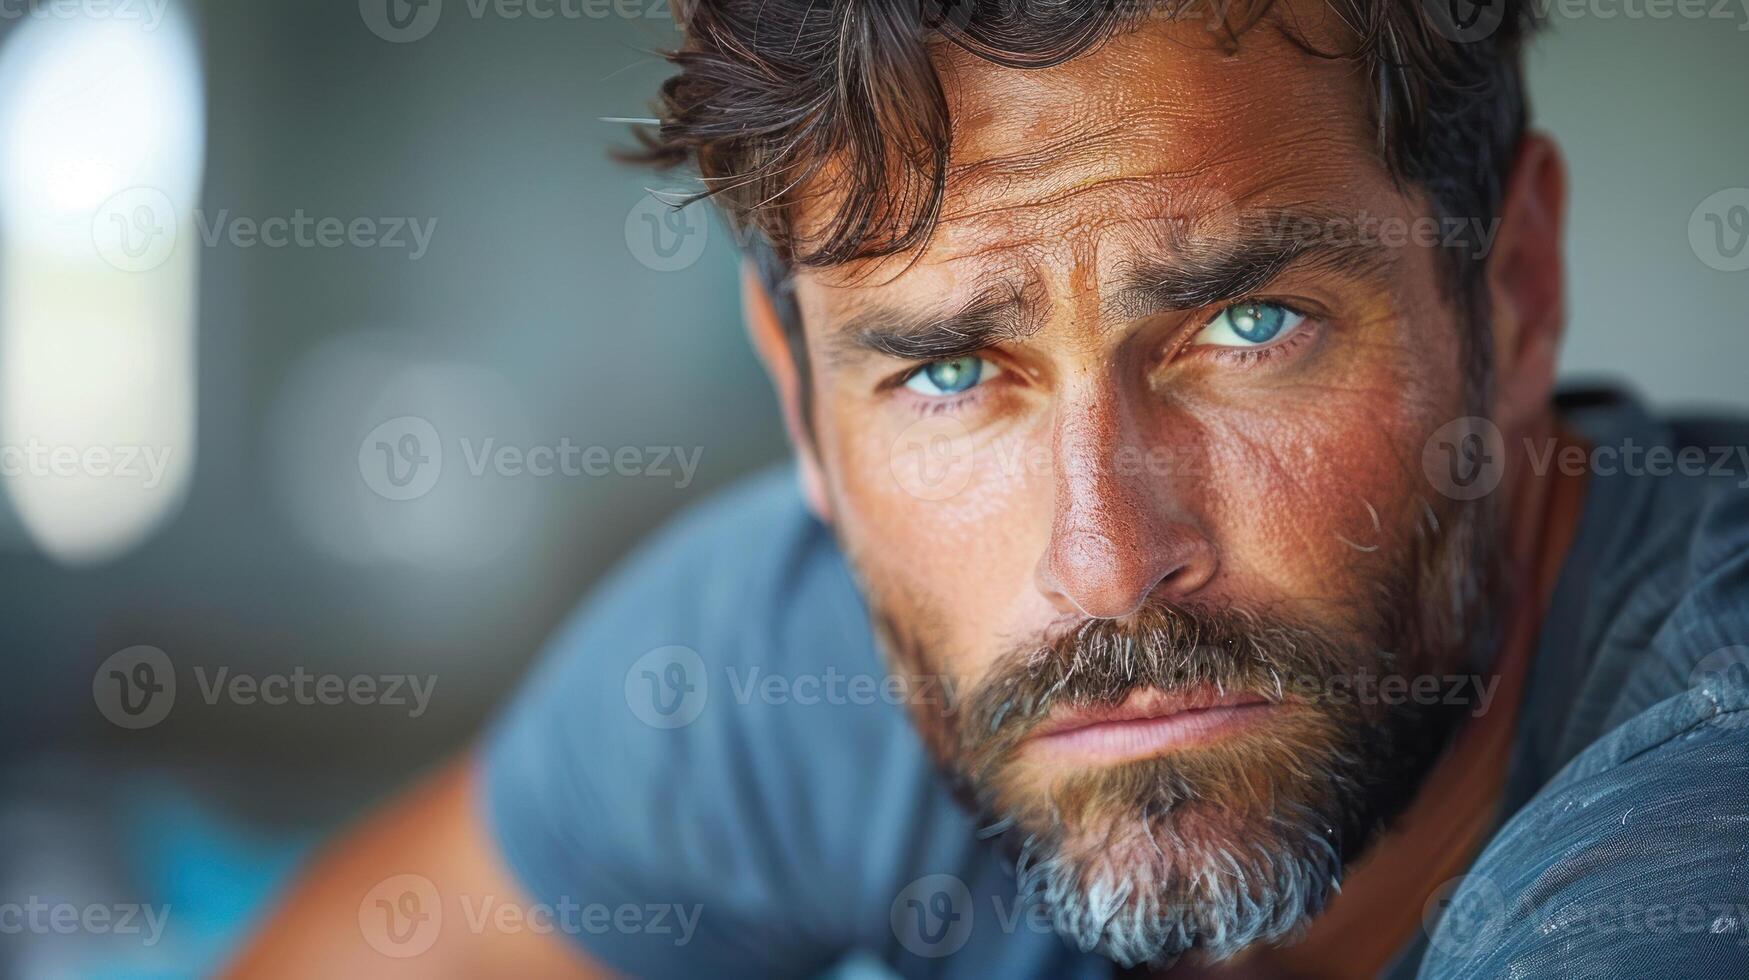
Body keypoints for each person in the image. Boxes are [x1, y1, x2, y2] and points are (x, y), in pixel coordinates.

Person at [229, 2, 1749, 976]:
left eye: (1246, 325)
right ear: (801, 410)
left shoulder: (1691, 820)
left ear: (1514, 289)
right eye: (950, 372)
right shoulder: (780, 672)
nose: (1098, 564)